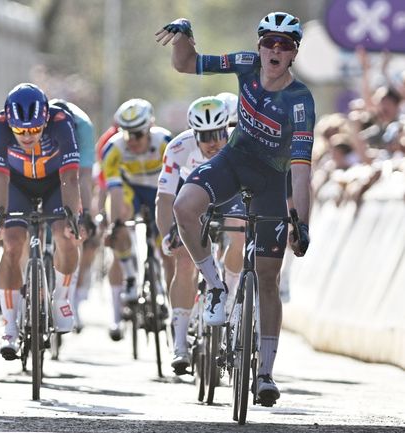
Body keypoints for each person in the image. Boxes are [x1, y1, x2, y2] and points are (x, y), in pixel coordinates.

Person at [156, 11, 313, 403]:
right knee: (185, 206)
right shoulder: (244, 63)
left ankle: (265, 373)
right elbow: (187, 63)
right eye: (269, 42)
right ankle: (213, 284)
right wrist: (183, 35)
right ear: (259, 45)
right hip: (232, 162)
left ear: (293, 53)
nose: (275, 50)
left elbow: (301, 169)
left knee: (266, 277)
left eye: (285, 44)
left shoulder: (299, 100)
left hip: (271, 180)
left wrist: (302, 220)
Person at [0, 83, 82, 360]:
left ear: (45, 120)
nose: (28, 136)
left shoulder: (61, 123)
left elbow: (70, 179)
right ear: (10, 123)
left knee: (65, 234)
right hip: (17, 185)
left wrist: (75, 217)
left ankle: (62, 299)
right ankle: (10, 326)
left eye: (35, 130)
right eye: (21, 131)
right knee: (12, 243)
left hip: (54, 184)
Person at [155, 96, 245, 373]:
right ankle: (180, 343)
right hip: (192, 195)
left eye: (218, 134)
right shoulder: (178, 147)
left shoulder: (239, 143)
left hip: (230, 193)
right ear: (194, 134)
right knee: (183, 260)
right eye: (205, 136)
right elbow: (165, 197)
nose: (212, 143)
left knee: (240, 232)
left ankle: (229, 291)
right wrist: (167, 235)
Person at [101, 98, 171, 341]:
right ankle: (130, 276)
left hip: (160, 191)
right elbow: (115, 191)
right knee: (119, 219)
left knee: (167, 240)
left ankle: (163, 288)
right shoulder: (114, 148)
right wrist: (114, 225)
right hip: (130, 190)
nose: (133, 140)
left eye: (138, 134)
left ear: (150, 127)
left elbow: (178, 186)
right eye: (127, 134)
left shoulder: (165, 142)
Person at [49, 98, 96, 332]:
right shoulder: (41, 122)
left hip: (70, 176)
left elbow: (84, 178)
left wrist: (85, 213)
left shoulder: (83, 127)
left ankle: (68, 296)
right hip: (40, 170)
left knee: (73, 232)